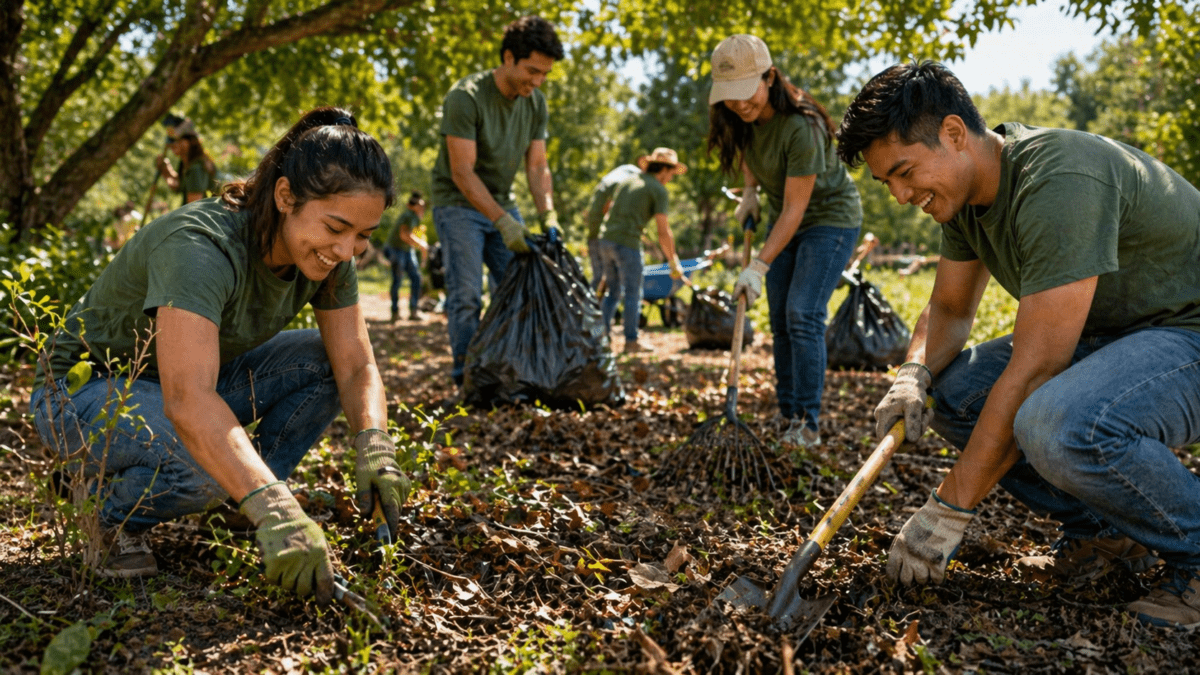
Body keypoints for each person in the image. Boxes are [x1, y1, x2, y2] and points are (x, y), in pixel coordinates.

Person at [836, 61, 1200, 629]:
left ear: (954, 134)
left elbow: (1037, 368)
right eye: (889, 183)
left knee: (1058, 423)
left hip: (1189, 333)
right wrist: (912, 373)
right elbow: (951, 311)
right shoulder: (964, 201)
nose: (902, 195)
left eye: (905, 172)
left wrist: (947, 508)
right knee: (952, 393)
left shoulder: (1058, 180)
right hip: (1120, 337)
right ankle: (1105, 535)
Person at [30, 107, 411, 604]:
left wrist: (374, 441)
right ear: (284, 197)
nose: (346, 250)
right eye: (337, 228)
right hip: (80, 392)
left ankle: (238, 503)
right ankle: (105, 511)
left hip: (169, 383)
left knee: (324, 363)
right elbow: (189, 400)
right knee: (200, 461)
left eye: (362, 236)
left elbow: (356, 364)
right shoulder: (201, 246)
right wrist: (277, 506)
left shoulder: (330, 255)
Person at [707, 34, 863, 447]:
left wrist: (758, 266)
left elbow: (797, 209)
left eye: (746, 91)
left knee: (802, 313)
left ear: (770, 76)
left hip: (829, 221)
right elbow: (750, 155)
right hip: (784, 219)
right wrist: (752, 191)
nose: (739, 104)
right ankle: (788, 415)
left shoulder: (802, 126)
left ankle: (807, 425)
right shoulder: (741, 120)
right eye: (730, 96)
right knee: (780, 322)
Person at [430, 15, 565, 387]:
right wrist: (504, 223)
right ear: (508, 57)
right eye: (532, 71)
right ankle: (468, 379)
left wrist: (548, 214)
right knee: (467, 294)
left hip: (503, 201)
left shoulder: (535, 103)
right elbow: (463, 173)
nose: (537, 82)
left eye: (544, 75)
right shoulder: (466, 96)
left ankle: (509, 370)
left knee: (522, 284)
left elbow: (537, 167)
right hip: (458, 204)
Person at [595, 148, 686, 353]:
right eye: (671, 173)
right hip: (627, 244)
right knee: (633, 293)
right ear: (664, 169)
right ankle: (631, 341)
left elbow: (610, 208)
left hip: (606, 240)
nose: (671, 178)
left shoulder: (630, 181)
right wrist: (673, 262)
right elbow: (664, 231)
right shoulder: (658, 190)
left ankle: (601, 339)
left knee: (613, 291)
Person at [583, 163, 641, 289]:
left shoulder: (607, 183)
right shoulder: (619, 185)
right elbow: (608, 208)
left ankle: (591, 306)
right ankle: (586, 306)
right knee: (606, 280)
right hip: (606, 236)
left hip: (594, 233)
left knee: (600, 278)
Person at [383, 190, 430, 322]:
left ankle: (414, 310)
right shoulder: (408, 215)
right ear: (412, 206)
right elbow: (404, 235)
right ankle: (395, 312)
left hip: (407, 249)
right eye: (419, 205)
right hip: (396, 249)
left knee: (416, 278)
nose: (422, 208)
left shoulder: (415, 216)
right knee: (397, 280)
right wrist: (421, 245)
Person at [156, 115, 218, 206]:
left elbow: (193, 210)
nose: (171, 143)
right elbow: (179, 186)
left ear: (190, 141)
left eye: (177, 138)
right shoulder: (186, 165)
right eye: (170, 139)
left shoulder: (196, 169)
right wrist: (166, 172)